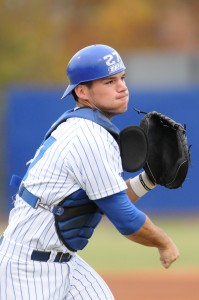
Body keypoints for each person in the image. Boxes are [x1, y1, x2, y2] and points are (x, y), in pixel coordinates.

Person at [0, 44, 179, 300]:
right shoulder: (88, 136)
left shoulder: (83, 124)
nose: (122, 87)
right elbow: (123, 216)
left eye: (122, 78)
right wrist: (164, 242)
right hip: (26, 269)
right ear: (82, 91)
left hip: (64, 262)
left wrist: (147, 181)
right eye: (109, 81)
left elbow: (105, 200)